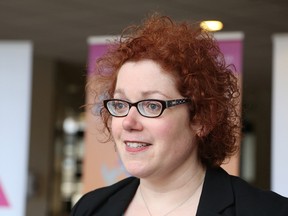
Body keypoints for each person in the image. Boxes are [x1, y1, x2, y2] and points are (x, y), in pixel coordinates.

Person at [71, 13, 288, 216]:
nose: (128, 122)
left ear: (201, 118)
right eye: (120, 104)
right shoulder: (91, 208)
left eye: (151, 105)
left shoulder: (267, 210)